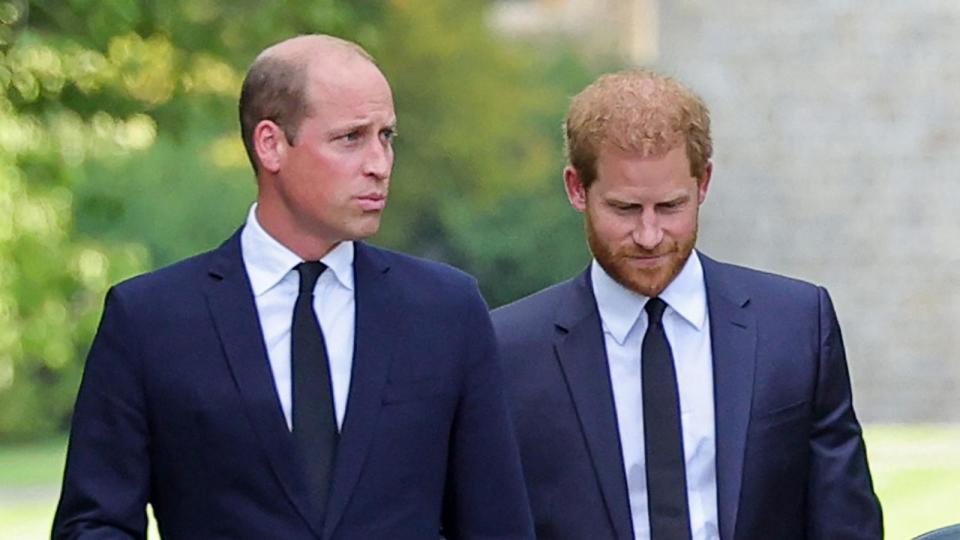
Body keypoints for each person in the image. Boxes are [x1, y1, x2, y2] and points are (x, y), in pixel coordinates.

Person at [53, 34, 533, 539]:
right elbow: (93, 525)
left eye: (386, 136)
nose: (379, 163)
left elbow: (496, 522)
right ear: (271, 144)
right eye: (351, 137)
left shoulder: (447, 310)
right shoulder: (149, 319)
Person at [492, 69, 882, 539]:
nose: (650, 235)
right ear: (577, 188)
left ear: (704, 184)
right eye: (625, 209)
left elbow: (845, 523)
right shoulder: (508, 350)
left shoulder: (795, 326)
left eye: (671, 206)